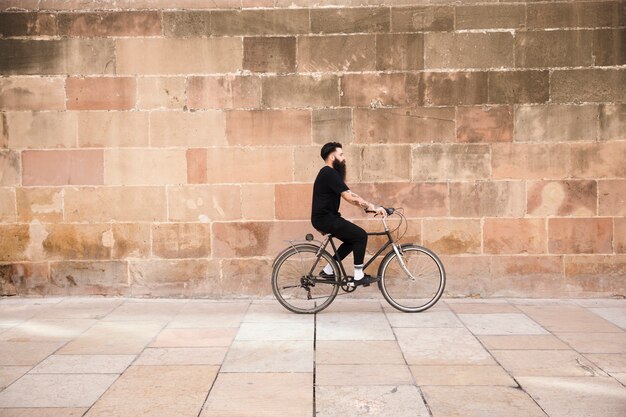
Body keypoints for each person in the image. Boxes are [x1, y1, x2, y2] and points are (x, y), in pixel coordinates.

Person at [311, 142, 387, 286]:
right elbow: (348, 197)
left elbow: (350, 193)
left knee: (352, 239)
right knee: (360, 236)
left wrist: (370, 207)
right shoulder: (329, 172)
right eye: (341, 154)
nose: (344, 158)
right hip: (325, 218)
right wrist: (372, 207)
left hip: (327, 218)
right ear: (332, 157)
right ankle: (358, 276)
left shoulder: (330, 174)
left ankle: (328, 271)